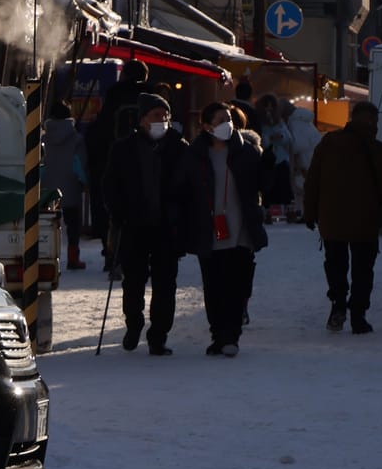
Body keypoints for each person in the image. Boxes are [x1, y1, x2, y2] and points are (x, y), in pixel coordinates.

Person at [101, 92, 194, 352]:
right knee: (133, 282)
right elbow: (110, 185)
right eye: (156, 115)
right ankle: (134, 325)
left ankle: (158, 336)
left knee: (166, 284)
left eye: (165, 115)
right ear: (143, 119)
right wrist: (118, 212)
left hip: (167, 227)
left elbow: (190, 187)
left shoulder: (179, 146)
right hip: (134, 225)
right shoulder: (124, 148)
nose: (162, 120)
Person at [302, 100, 382, 332]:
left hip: (332, 219)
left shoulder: (328, 143)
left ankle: (338, 304)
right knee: (363, 269)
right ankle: (358, 315)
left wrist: (309, 212)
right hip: (365, 223)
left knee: (335, 264)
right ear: (372, 122)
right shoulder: (377, 150)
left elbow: (312, 181)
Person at [186, 100, 269, 356]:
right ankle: (218, 334)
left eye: (229, 119)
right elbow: (185, 190)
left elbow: (263, 185)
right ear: (206, 126)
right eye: (220, 120)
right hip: (208, 230)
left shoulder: (248, 152)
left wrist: (271, 168)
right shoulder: (195, 155)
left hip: (241, 228)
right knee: (213, 286)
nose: (227, 125)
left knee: (237, 285)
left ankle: (231, 334)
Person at [84, 61, 149, 267]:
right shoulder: (150, 94)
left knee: (111, 207)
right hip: (145, 162)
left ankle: (110, 250)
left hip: (110, 159)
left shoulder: (113, 94)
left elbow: (99, 129)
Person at [41, 84, 87, 270]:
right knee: (73, 226)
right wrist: (85, 182)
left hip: (46, 189)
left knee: (47, 225)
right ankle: (73, 258)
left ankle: (44, 257)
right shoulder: (76, 139)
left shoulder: (42, 139)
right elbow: (79, 165)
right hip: (70, 187)